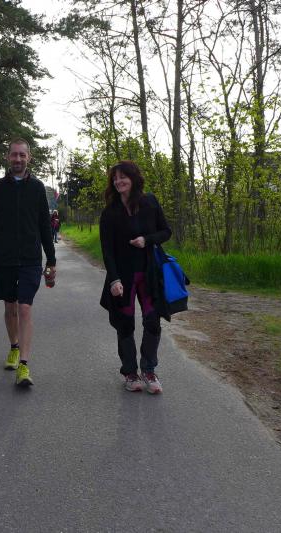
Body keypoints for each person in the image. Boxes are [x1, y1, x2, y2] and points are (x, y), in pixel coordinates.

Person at [0, 138, 56, 387]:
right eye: (14, 155)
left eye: (22, 155)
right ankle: (14, 346)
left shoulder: (38, 188)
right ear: (8, 157)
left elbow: (45, 226)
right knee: (10, 308)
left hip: (31, 259)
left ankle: (24, 365)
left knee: (24, 308)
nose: (18, 159)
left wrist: (51, 260)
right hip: (5, 259)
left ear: (29, 157)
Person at [99, 160, 172, 394]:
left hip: (149, 274)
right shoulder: (110, 212)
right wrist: (114, 279)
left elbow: (166, 231)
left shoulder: (150, 202)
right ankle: (130, 373)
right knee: (125, 323)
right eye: (115, 178)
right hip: (123, 277)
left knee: (152, 322)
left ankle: (149, 370)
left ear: (133, 178)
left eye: (123, 177)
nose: (118, 181)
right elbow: (107, 250)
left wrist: (146, 240)